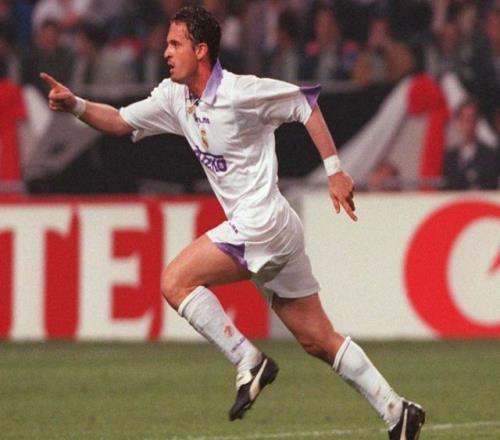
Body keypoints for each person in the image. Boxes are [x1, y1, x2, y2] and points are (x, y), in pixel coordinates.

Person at [40, 6, 425, 439]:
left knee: (175, 282)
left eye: (175, 44)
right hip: (275, 228)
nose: (166, 52)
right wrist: (75, 105)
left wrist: (335, 171)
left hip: (262, 221)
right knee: (318, 339)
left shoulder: (242, 93)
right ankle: (397, 411)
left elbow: (305, 104)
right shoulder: (174, 97)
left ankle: (248, 359)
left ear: (201, 50)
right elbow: (118, 120)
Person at [443, 99, 499, 190]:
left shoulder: (490, 155)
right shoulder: (450, 157)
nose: (468, 124)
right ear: (458, 122)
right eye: (464, 119)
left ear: (477, 122)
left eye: (472, 119)